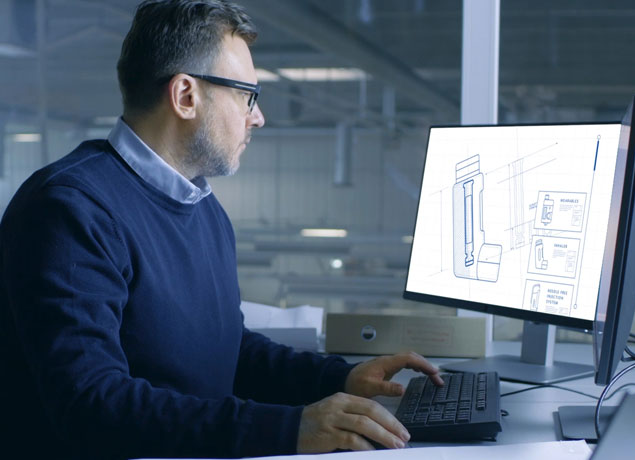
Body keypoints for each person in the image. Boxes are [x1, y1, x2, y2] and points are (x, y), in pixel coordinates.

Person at [0, 1, 443, 459]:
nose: (258, 117)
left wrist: (340, 378)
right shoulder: (70, 209)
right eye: (246, 95)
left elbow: (225, 350)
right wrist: (289, 428)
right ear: (185, 96)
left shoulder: (202, 207)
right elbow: (90, 404)